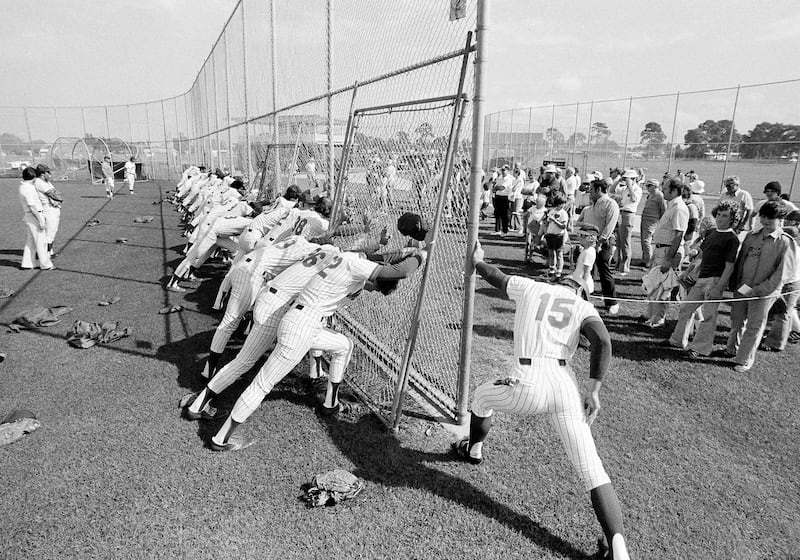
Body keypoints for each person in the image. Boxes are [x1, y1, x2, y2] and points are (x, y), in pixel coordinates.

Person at [452, 241, 631, 560]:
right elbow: (602, 341)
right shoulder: (583, 306)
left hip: (527, 382)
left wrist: (478, 262)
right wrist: (593, 389)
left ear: (562, 281)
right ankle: (618, 548)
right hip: (564, 387)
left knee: (481, 397)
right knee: (592, 470)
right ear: (582, 292)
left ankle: (475, 449)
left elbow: (497, 276)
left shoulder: (532, 286)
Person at [205, 248, 425, 452]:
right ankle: (221, 439)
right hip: (303, 326)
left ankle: (331, 403)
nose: (374, 287)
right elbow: (397, 271)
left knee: (344, 345)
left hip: (301, 320)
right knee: (262, 384)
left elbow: (385, 264)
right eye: (376, 284)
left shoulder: (350, 259)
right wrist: (422, 255)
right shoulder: (358, 266)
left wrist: (404, 251)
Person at [725, 200, 796, 372]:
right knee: (737, 319)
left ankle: (744, 359)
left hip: (764, 293)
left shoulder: (785, 242)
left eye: (770, 219)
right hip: (743, 287)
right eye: (763, 217)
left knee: (754, 325)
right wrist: (735, 283)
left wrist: (760, 290)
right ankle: (732, 349)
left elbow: (781, 275)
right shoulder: (752, 236)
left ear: (780, 219)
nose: (765, 221)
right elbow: (741, 260)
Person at [666, 201, 740, 356]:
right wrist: (688, 271)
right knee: (686, 308)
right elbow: (701, 255)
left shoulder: (732, 239)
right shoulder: (712, 233)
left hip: (714, 281)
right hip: (701, 278)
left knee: (708, 316)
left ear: (733, 218)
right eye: (719, 214)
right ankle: (678, 340)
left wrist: (719, 287)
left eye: (725, 216)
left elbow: (729, 266)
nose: (720, 218)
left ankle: (700, 348)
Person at [642, 177, 689, 328]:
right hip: (661, 249)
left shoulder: (679, 208)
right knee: (655, 284)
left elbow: (678, 234)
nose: (663, 190)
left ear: (674, 190)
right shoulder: (671, 205)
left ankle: (659, 318)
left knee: (664, 287)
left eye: (666, 188)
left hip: (668, 250)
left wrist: (669, 258)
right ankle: (651, 315)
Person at [576, 179, 620, 315]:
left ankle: (612, 302)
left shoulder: (610, 204)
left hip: (602, 244)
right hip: (588, 243)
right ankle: (585, 299)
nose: (589, 192)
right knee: (586, 271)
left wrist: (600, 242)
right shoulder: (591, 205)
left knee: (604, 272)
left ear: (599, 190)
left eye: (592, 189)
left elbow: (610, 225)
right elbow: (582, 223)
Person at [761, 224, 800, 351]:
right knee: (779, 312)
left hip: (789, 284)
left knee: (783, 314)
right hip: (787, 283)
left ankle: (775, 343)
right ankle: (774, 335)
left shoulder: (791, 250)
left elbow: (785, 271)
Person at [18, 167, 54, 271]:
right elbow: (32, 206)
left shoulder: (23, 186)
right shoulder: (28, 188)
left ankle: (27, 263)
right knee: (41, 241)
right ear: (33, 177)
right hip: (34, 216)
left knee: (31, 241)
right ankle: (46, 264)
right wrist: (40, 220)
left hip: (30, 216)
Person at [614, 169, 642, 275]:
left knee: (625, 242)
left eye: (628, 179)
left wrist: (630, 186)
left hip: (629, 214)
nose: (626, 181)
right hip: (621, 213)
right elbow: (612, 191)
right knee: (619, 242)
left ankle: (625, 267)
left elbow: (634, 199)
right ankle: (618, 265)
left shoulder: (637, 189)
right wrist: (618, 181)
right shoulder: (624, 189)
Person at [33, 163, 62, 258]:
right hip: (48, 209)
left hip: (53, 208)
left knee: (52, 231)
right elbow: (56, 195)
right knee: (50, 232)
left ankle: (49, 253)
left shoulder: (46, 181)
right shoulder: (39, 182)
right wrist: (58, 197)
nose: (49, 174)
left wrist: (57, 196)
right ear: (42, 173)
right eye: (47, 172)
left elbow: (56, 192)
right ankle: (43, 255)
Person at [639, 178, 666, 266]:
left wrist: (660, 222)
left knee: (647, 240)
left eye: (649, 185)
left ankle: (648, 261)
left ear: (654, 186)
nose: (647, 187)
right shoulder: (650, 195)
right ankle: (645, 259)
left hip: (652, 221)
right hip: (645, 219)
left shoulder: (659, 196)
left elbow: (663, 210)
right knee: (644, 240)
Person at [544, 193, 569, 278]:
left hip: (558, 235)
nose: (561, 206)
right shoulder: (552, 211)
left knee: (559, 254)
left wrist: (554, 220)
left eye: (563, 204)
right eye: (559, 204)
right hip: (550, 234)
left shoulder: (564, 213)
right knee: (551, 253)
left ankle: (559, 271)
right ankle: (552, 269)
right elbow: (548, 222)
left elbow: (563, 226)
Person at [571, 223, 599, 297]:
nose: (580, 238)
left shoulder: (588, 252)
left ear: (590, 238)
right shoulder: (586, 250)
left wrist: (583, 286)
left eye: (583, 236)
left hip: (581, 283)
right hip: (577, 280)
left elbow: (586, 272)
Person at [493, 166, 513, 236]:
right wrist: (497, 188)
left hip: (505, 198)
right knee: (497, 214)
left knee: (504, 215)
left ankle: (505, 231)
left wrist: (497, 187)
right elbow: (495, 187)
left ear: (508, 171)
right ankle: (497, 229)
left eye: (505, 170)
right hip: (498, 197)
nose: (503, 171)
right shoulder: (499, 178)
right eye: (502, 170)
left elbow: (502, 187)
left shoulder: (509, 179)